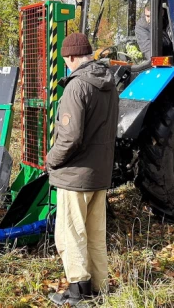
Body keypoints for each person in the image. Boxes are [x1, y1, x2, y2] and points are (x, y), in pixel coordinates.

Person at [46, 33, 119, 306]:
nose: (66, 66)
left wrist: (51, 160)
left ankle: (78, 294)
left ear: (73, 58)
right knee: (95, 234)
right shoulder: (109, 84)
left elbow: (70, 137)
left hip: (75, 176)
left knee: (70, 234)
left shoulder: (76, 87)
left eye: (66, 61)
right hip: (100, 174)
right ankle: (99, 288)